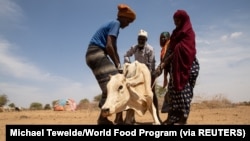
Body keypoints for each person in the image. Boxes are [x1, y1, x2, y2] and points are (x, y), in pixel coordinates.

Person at [85, 4, 136, 125]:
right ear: (123, 18)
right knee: (115, 83)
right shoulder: (116, 24)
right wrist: (118, 65)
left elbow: (113, 48)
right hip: (96, 52)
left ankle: (109, 117)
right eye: (128, 21)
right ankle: (104, 118)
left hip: (92, 54)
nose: (127, 24)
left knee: (110, 85)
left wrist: (119, 66)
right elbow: (109, 46)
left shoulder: (112, 25)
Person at [154, 9, 200, 125]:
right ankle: (172, 118)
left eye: (178, 20)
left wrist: (165, 62)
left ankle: (183, 118)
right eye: (174, 21)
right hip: (175, 68)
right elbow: (170, 49)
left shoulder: (189, 32)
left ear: (183, 19)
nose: (176, 23)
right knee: (173, 92)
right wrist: (161, 66)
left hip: (187, 66)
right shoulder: (174, 34)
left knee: (184, 92)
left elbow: (181, 49)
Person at [123, 29, 157, 124]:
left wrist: (149, 74)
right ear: (137, 39)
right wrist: (128, 63)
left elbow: (151, 64)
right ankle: (130, 118)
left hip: (146, 73)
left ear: (146, 40)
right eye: (139, 39)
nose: (141, 41)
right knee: (131, 94)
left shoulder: (150, 49)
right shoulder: (134, 47)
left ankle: (156, 116)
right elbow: (126, 55)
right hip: (135, 72)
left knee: (150, 94)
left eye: (143, 39)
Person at [157, 31, 171, 113]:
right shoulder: (163, 50)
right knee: (170, 91)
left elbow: (166, 61)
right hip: (170, 72)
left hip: (175, 71)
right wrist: (165, 77)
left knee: (172, 92)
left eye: (164, 37)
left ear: (168, 38)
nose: (162, 39)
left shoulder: (170, 45)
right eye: (161, 38)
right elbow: (164, 64)